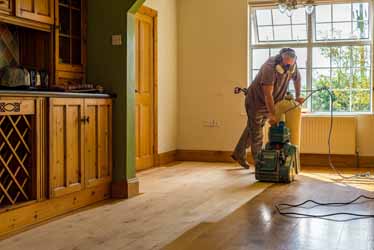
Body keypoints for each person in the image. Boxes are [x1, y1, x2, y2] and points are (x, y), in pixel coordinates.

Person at [231, 48, 305, 169]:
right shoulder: (269, 68)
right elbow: (268, 95)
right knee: (257, 133)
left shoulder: (292, 66)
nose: (288, 69)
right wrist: (272, 114)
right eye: (286, 65)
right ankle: (259, 163)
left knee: (252, 128)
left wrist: (297, 96)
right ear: (280, 60)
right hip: (255, 102)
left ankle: (238, 153)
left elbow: (297, 79)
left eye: (290, 65)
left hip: (269, 103)